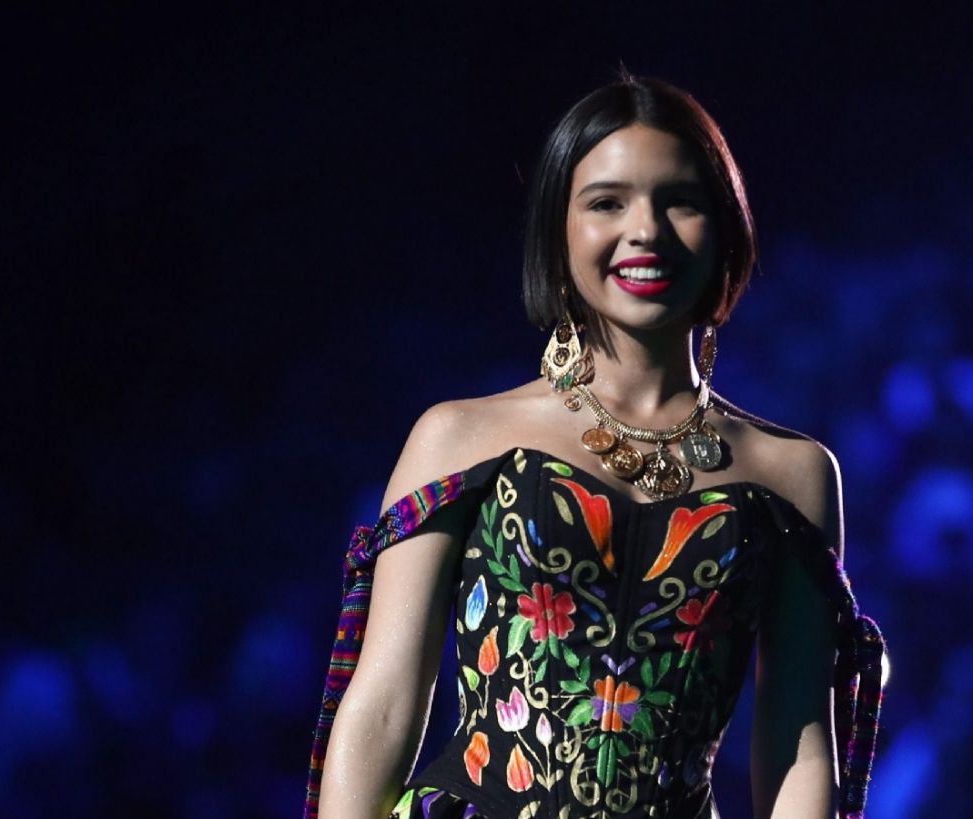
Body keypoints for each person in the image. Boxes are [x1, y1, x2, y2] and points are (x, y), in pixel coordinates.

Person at [303, 72, 886, 819]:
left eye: (680, 200)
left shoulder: (794, 473)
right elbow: (382, 705)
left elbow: (799, 744)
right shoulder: (456, 437)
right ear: (560, 230)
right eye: (607, 202)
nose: (645, 230)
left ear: (725, 228)